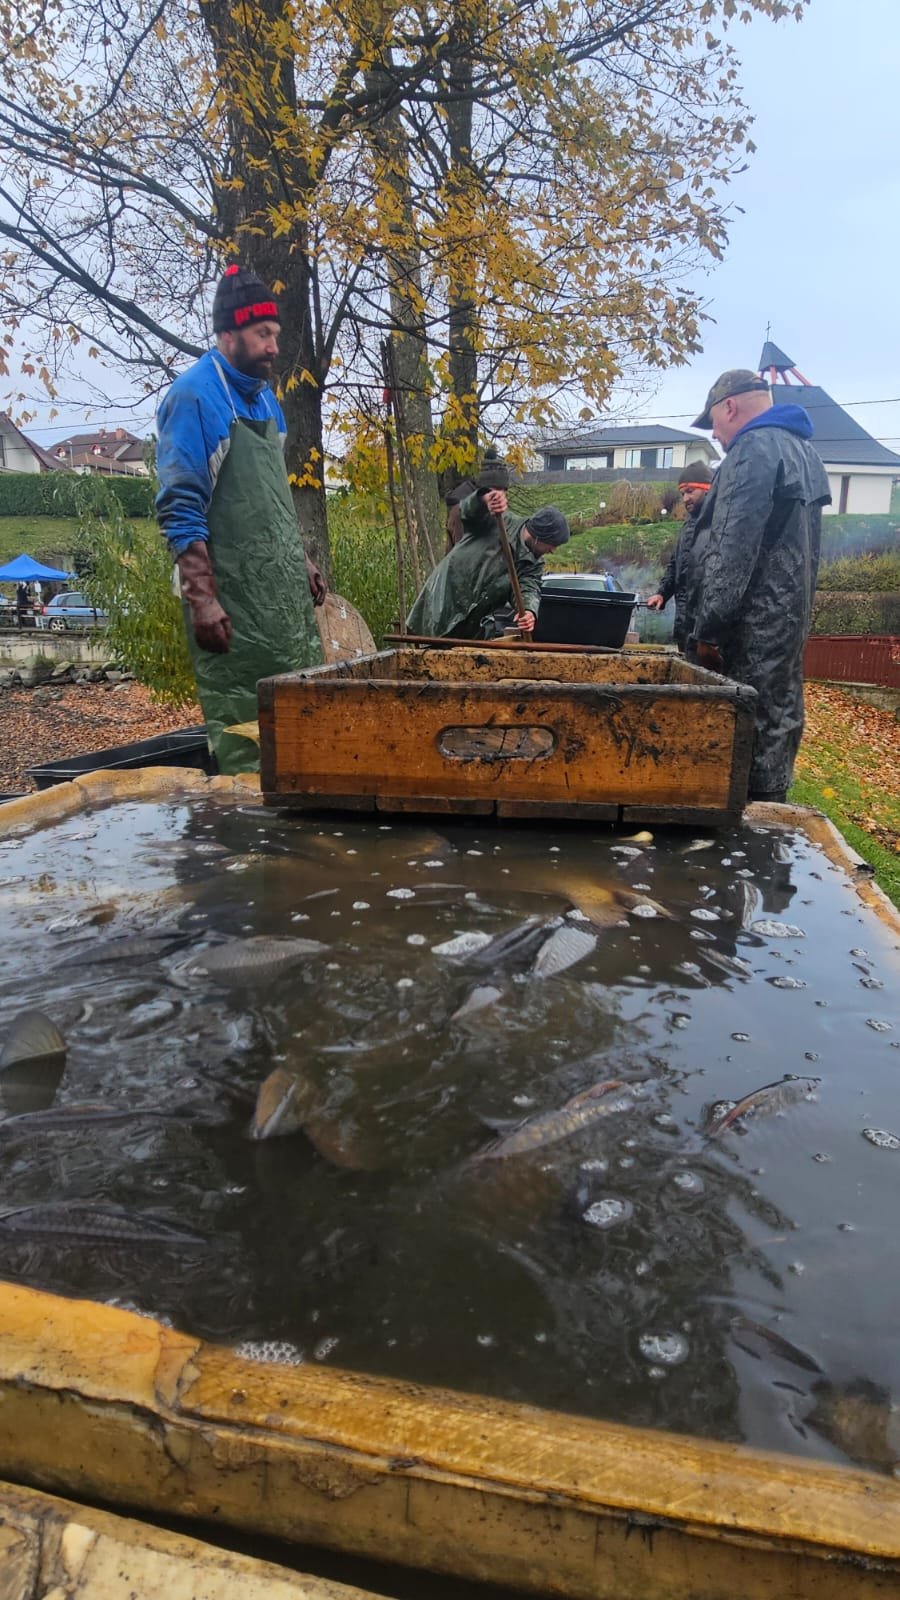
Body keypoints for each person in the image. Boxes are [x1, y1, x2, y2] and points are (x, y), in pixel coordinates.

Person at [156, 264, 326, 774]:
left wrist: (300, 561)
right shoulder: (193, 397)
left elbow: (272, 499)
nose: (273, 347)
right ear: (228, 334)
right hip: (232, 604)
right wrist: (203, 599)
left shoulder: (266, 400)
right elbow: (180, 505)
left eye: (275, 334)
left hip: (281, 604)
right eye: (262, 334)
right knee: (246, 740)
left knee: (303, 728)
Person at [686, 368, 831, 802]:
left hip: (746, 631)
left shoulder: (752, 450)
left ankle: (742, 829)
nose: (715, 435)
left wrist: (708, 630)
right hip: (786, 625)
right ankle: (771, 819)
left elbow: (732, 547)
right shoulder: (805, 452)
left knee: (738, 735)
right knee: (777, 722)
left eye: (713, 422)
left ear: (729, 407)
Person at [406, 487, 570, 639]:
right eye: (552, 544)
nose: (552, 550)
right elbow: (467, 512)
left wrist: (529, 611)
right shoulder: (498, 521)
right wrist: (484, 499)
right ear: (540, 536)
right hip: (441, 606)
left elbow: (528, 588)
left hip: (471, 625)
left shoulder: (532, 564)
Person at [646, 462, 714, 651]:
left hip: (708, 632)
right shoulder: (687, 526)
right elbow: (676, 565)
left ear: (707, 488)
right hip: (685, 627)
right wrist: (662, 593)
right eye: (682, 494)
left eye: (690, 491)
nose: (685, 499)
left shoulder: (720, 523)